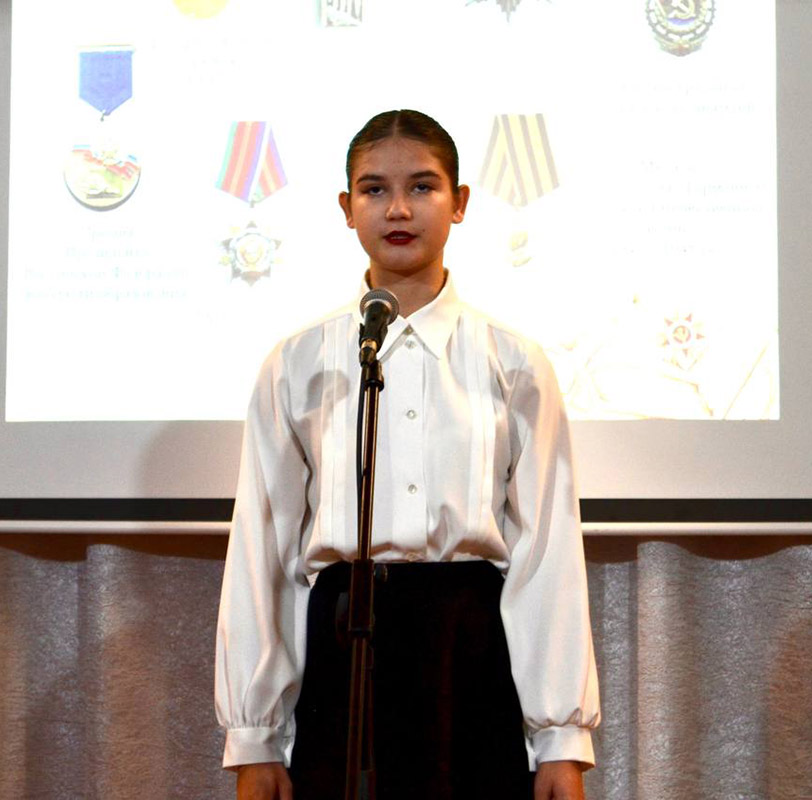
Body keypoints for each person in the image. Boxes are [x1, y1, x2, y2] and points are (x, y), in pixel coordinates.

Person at [215, 109, 599, 800]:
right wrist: (255, 738)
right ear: (346, 208)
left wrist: (559, 740)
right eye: (374, 189)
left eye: (422, 186)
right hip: (343, 646)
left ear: (460, 202)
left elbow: (547, 551)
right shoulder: (299, 362)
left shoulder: (514, 362)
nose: (397, 209)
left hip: (469, 647)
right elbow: (263, 550)